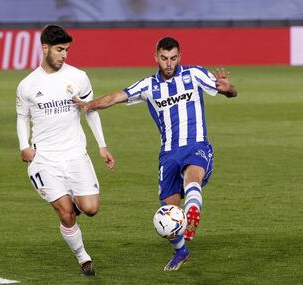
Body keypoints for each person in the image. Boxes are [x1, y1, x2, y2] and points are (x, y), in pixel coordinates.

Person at [73, 36, 237, 271]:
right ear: (156, 57)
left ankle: (192, 213)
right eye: (164, 58)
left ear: (180, 57)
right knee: (167, 212)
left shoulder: (195, 75)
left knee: (193, 178)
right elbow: (115, 97)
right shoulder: (148, 85)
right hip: (168, 153)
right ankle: (181, 251)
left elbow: (231, 92)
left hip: (196, 144)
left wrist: (228, 89)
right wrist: (89, 105)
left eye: (173, 58)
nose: (169, 63)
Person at [16, 24, 115, 276]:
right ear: (45, 48)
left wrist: (101, 145)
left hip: (75, 155)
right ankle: (83, 258)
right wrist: (24, 146)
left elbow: (89, 110)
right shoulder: (27, 85)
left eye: (67, 50)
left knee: (91, 209)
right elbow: (22, 117)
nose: (64, 55)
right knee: (65, 213)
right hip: (45, 160)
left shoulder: (78, 77)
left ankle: (73, 203)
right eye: (60, 50)